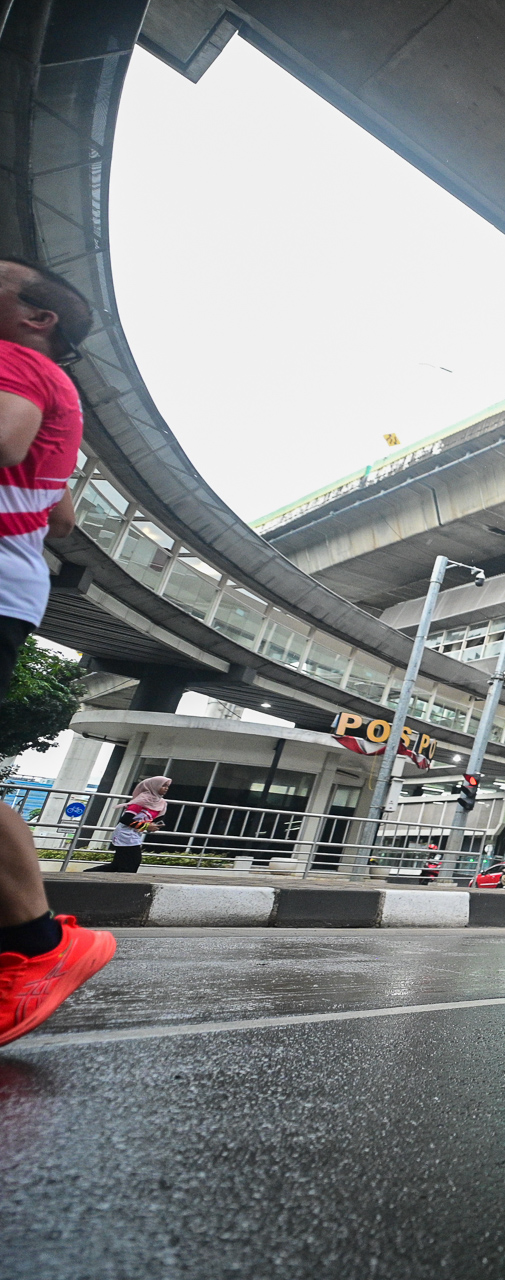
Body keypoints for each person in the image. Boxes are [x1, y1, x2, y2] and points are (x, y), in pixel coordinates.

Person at [0, 258, 117, 1048]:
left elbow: (4, 441)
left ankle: (40, 944)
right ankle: (37, 942)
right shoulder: (50, 384)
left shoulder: (13, 360)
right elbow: (64, 516)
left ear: (36, 317)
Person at [83, 775, 170, 874]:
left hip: (136, 834)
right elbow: (125, 819)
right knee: (132, 863)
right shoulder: (141, 800)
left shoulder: (161, 803)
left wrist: (154, 826)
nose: (166, 788)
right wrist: (146, 826)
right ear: (155, 786)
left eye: (167, 786)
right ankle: (121, 881)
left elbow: (155, 819)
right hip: (125, 834)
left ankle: (87, 873)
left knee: (118, 864)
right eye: (163, 785)